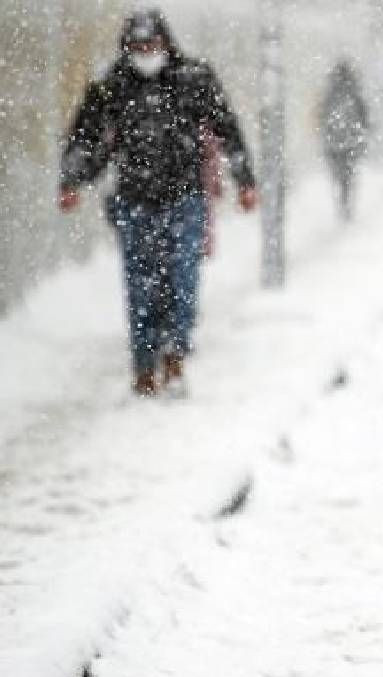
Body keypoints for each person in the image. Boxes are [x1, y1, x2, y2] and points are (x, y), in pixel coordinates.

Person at [58, 9, 257, 397]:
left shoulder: (193, 79)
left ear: (166, 43)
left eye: (151, 45)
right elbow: (84, 136)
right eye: (138, 47)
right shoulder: (112, 86)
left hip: (185, 198)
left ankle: (175, 356)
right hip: (134, 201)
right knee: (141, 285)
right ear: (127, 48)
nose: (145, 53)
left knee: (181, 279)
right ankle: (144, 364)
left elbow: (227, 128)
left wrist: (244, 179)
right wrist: (73, 179)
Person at [320, 59, 370, 222]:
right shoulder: (353, 92)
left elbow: (322, 116)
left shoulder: (330, 93)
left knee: (340, 174)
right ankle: (346, 201)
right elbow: (364, 116)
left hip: (333, 143)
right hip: (350, 141)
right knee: (348, 175)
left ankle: (343, 201)